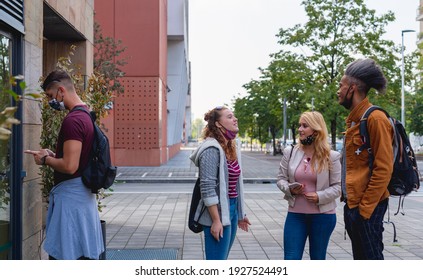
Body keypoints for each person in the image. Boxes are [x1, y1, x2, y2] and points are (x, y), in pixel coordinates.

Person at [25, 69, 104, 260]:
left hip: (71, 203)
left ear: (61, 90)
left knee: (66, 258)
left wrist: (45, 160)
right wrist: (53, 154)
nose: (51, 101)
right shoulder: (85, 114)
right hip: (80, 199)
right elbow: (75, 158)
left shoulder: (73, 121)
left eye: (51, 96)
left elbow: (70, 166)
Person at [337, 58, 394, 260]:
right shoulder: (355, 120)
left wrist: (365, 210)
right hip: (354, 205)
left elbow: (384, 168)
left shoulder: (375, 119)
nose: (338, 91)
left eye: (341, 86)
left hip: (367, 208)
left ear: (352, 88)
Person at [276, 111, 341, 260]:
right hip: (295, 214)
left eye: (305, 126)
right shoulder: (290, 152)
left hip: (323, 216)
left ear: (316, 130)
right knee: (291, 258)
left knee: (317, 258)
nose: (300, 129)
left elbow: (338, 187)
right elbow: (280, 179)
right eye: (300, 125)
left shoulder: (332, 156)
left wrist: (319, 196)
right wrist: (290, 188)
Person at [189, 106, 251, 260]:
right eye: (229, 117)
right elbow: (207, 188)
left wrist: (240, 213)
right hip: (216, 213)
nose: (235, 119)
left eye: (234, 116)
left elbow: (235, 186)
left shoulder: (231, 146)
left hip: (232, 208)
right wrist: (216, 221)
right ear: (218, 124)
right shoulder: (211, 149)